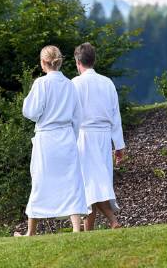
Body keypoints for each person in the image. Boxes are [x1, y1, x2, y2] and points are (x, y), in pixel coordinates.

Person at [15, 45, 89, 236]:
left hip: (46, 139)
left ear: (43, 63)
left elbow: (30, 112)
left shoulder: (41, 84)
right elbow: (77, 116)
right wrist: (71, 137)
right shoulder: (70, 84)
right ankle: (75, 228)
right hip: (65, 137)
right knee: (71, 182)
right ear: (60, 61)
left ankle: (31, 232)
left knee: (40, 181)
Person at [72, 42, 125, 230]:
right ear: (93, 60)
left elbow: (70, 115)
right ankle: (91, 230)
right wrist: (119, 145)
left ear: (78, 62)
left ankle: (111, 221)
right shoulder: (107, 83)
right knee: (95, 183)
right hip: (103, 138)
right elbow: (115, 116)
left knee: (89, 185)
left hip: (83, 137)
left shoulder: (74, 84)